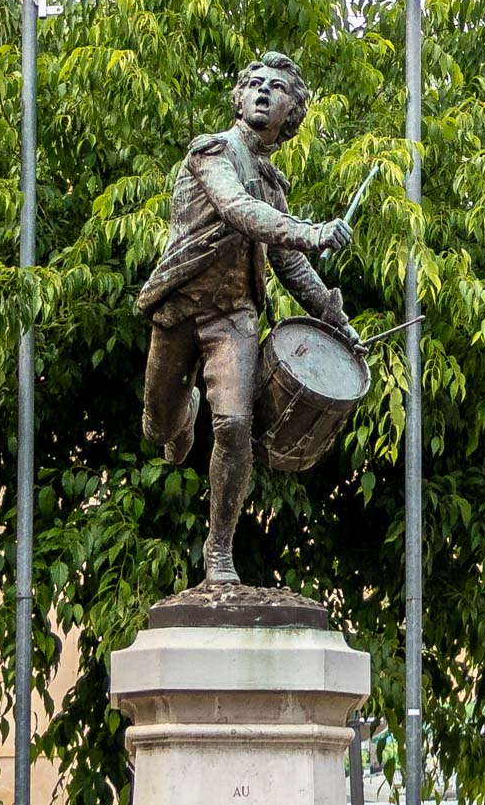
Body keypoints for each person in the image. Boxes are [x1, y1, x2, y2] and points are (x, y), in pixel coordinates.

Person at [137, 51, 361, 585]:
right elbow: (239, 210)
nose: (263, 91)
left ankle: (219, 551)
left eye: (277, 88)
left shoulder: (274, 185)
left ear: (291, 113)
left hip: (233, 318)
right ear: (238, 99)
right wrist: (311, 231)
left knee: (235, 425)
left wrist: (338, 322)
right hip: (180, 309)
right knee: (157, 428)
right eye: (254, 84)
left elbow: (291, 267)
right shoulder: (212, 152)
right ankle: (184, 411)